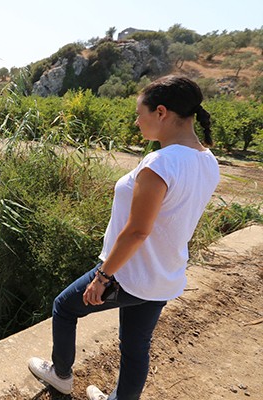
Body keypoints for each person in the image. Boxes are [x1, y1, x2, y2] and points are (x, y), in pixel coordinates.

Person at [27, 75, 220, 400]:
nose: (135, 120)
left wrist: (103, 277)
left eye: (139, 112)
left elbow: (137, 230)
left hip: (129, 274)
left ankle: (60, 375)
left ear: (161, 112)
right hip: (166, 275)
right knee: (135, 347)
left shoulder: (161, 163)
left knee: (64, 307)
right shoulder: (207, 160)